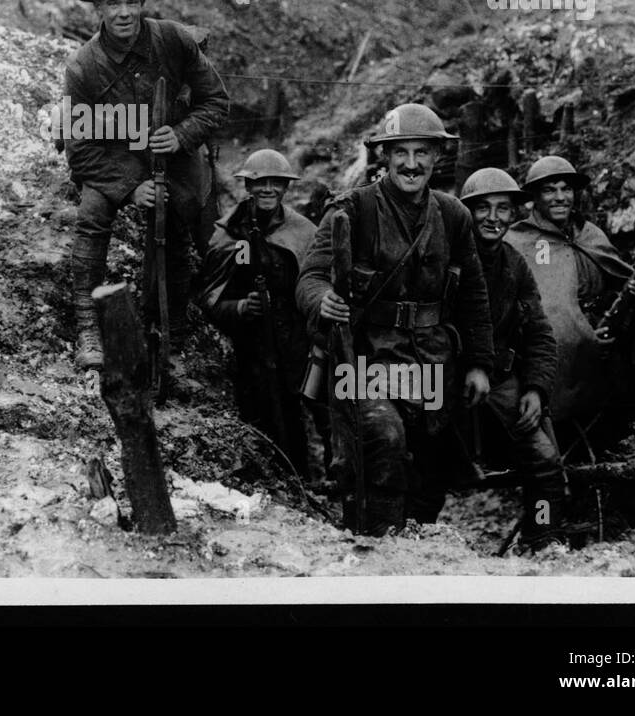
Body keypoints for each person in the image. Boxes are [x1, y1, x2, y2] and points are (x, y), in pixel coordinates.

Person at [296, 103, 495, 535]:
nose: (411, 163)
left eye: (421, 152)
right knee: (380, 443)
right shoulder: (352, 209)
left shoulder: (453, 215)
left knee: (431, 466)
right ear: (383, 157)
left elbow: (474, 295)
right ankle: (374, 550)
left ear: (436, 156)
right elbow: (311, 276)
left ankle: (415, 555)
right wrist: (323, 299)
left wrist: (479, 362)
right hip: (365, 360)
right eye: (399, 152)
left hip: (433, 363)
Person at [62, 0, 229, 373]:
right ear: (98, 9)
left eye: (132, 2)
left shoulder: (173, 40)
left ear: (143, 5)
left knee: (190, 213)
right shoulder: (82, 66)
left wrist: (183, 134)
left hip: (169, 148)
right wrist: (129, 188)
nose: (123, 13)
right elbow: (78, 148)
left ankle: (176, 317)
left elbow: (216, 102)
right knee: (92, 214)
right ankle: (88, 326)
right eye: (113, 3)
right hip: (115, 158)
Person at [504, 156, 635, 433]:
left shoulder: (590, 234)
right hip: (552, 346)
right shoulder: (518, 241)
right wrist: (581, 335)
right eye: (550, 190)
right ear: (534, 198)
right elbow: (536, 307)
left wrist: (630, 292)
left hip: (604, 334)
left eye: (566, 189)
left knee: (619, 400)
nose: (560, 197)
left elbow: (617, 282)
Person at [457, 168, 566, 551]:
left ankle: (542, 539)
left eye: (503, 209)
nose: (494, 217)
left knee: (545, 463)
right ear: (467, 212)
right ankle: (412, 551)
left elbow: (538, 331)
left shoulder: (515, 265)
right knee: (423, 469)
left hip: (501, 383)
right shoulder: (444, 257)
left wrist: (536, 389)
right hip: (444, 380)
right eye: (483, 208)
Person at [199, 149, 318, 477]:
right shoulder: (232, 236)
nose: (268, 189)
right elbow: (211, 299)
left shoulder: (303, 231)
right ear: (248, 187)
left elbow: (318, 283)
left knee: (300, 412)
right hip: (250, 346)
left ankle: (308, 480)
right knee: (259, 416)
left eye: (275, 183)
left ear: (286, 188)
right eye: (260, 183)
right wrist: (240, 307)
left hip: (295, 341)